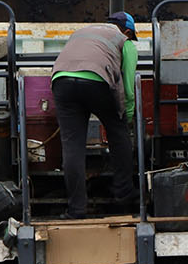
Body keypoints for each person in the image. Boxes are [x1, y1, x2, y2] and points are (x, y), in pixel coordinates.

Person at [50, 12, 139, 218]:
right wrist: (127, 115)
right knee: (118, 133)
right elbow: (127, 86)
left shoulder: (81, 32)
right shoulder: (125, 41)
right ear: (127, 31)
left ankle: (76, 210)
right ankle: (124, 195)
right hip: (96, 79)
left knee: (72, 146)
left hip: (61, 80)